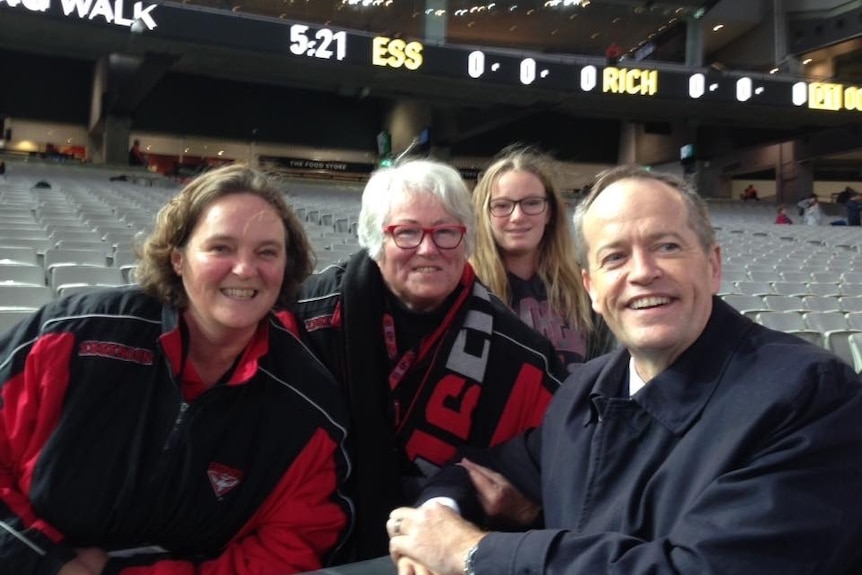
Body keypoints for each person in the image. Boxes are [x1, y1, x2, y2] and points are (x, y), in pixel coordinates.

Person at [387, 165, 862, 575]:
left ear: (714, 267)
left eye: (668, 247)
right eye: (615, 257)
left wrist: (471, 551)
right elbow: (478, 468)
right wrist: (438, 516)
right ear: (592, 288)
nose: (641, 272)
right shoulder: (586, 389)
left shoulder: (810, 396)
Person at [0, 164, 353, 575]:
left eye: (266, 252)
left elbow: (290, 548)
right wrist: (49, 562)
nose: (244, 269)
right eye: (221, 248)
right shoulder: (68, 339)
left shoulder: (309, 406)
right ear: (178, 259)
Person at [292, 158, 565, 560]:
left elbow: (556, 468)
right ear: (374, 239)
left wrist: (528, 507)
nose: (428, 249)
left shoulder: (525, 354)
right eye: (406, 233)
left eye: (446, 233)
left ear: (467, 239)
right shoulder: (305, 317)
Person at [470, 146, 615, 372]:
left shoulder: (583, 286)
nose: (517, 216)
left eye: (531, 203)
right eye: (502, 205)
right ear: (485, 214)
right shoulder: (467, 289)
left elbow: (605, 373)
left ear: (549, 212)